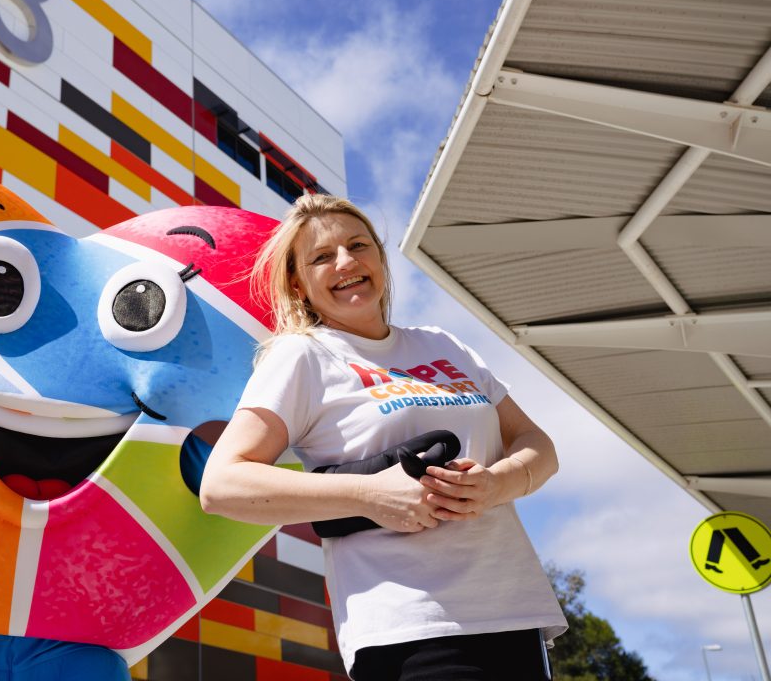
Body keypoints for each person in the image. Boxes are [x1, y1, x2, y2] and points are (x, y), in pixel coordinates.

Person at [199, 194, 566, 681]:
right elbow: (223, 484)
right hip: (410, 627)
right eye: (322, 256)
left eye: (357, 245)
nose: (346, 262)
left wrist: (497, 484)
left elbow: (537, 444)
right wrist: (369, 494)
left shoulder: (442, 344)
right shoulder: (302, 356)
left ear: (379, 257)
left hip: (515, 614)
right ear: (297, 283)